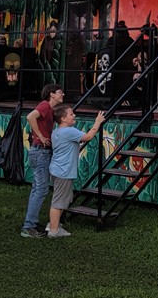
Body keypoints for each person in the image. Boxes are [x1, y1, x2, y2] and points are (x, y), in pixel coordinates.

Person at [46, 105, 106, 238]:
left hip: (57, 169)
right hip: (63, 171)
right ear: (63, 119)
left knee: (62, 199)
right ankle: (53, 230)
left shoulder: (57, 131)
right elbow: (88, 136)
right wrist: (97, 122)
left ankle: (53, 224)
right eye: (71, 114)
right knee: (58, 202)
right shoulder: (69, 131)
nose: (74, 116)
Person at [20, 83, 64, 238]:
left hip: (40, 152)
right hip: (40, 152)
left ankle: (32, 222)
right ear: (52, 94)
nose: (62, 94)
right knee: (41, 189)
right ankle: (28, 226)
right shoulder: (45, 105)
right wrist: (41, 136)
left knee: (38, 188)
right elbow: (30, 117)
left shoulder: (50, 109)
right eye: (60, 92)